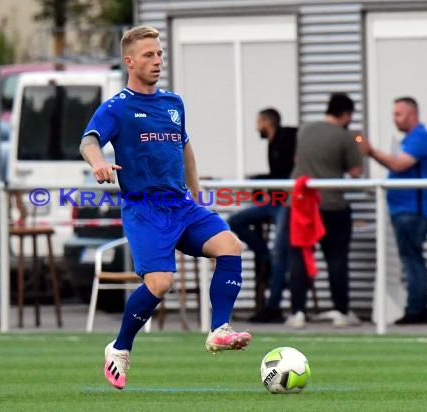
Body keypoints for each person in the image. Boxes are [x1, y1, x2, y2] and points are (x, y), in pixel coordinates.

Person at [79, 25, 251, 390]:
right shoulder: (118, 108)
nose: (157, 61)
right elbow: (90, 140)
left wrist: (197, 194)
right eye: (148, 55)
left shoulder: (174, 103)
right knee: (160, 283)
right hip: (145, 210)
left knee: (230, 246)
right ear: (129, 61)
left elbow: (185, 148)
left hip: (182, 206)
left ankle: (219, 328)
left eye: (159, 54)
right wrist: (98, 162)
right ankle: (120, 348)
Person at [285, 93, 363, 328]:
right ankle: (340, 310)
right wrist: (363, 149)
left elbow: (298, 158)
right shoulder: (346, 137)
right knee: (336, 259)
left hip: (300, 205)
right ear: (347, 114)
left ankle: (298, 311)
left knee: (299, 257)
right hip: (332, 205)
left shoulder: (305, 130)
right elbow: (356, 172)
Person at [359, 97, 427, 324]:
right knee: (412, 257)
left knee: (412, 258)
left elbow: (398, 164)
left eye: (399, 114)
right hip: (405, 208)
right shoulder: (411, 139)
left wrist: (371, 151)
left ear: (413, 114)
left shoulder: (420, 138)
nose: (395, 119)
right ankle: (417, 308)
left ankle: (417, 310)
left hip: (413, 209)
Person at [227, 108, 296, 323]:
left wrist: (259, 179)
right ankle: (263, 255)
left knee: (279, 253)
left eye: (258, 122)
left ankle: (273, 307)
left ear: (267, 122)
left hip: (287, 202)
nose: (257, 127)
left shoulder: (286, 139)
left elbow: (287, 173)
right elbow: (277, 175)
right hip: (274, 201)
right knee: (235, 221)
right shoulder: (273, 142)